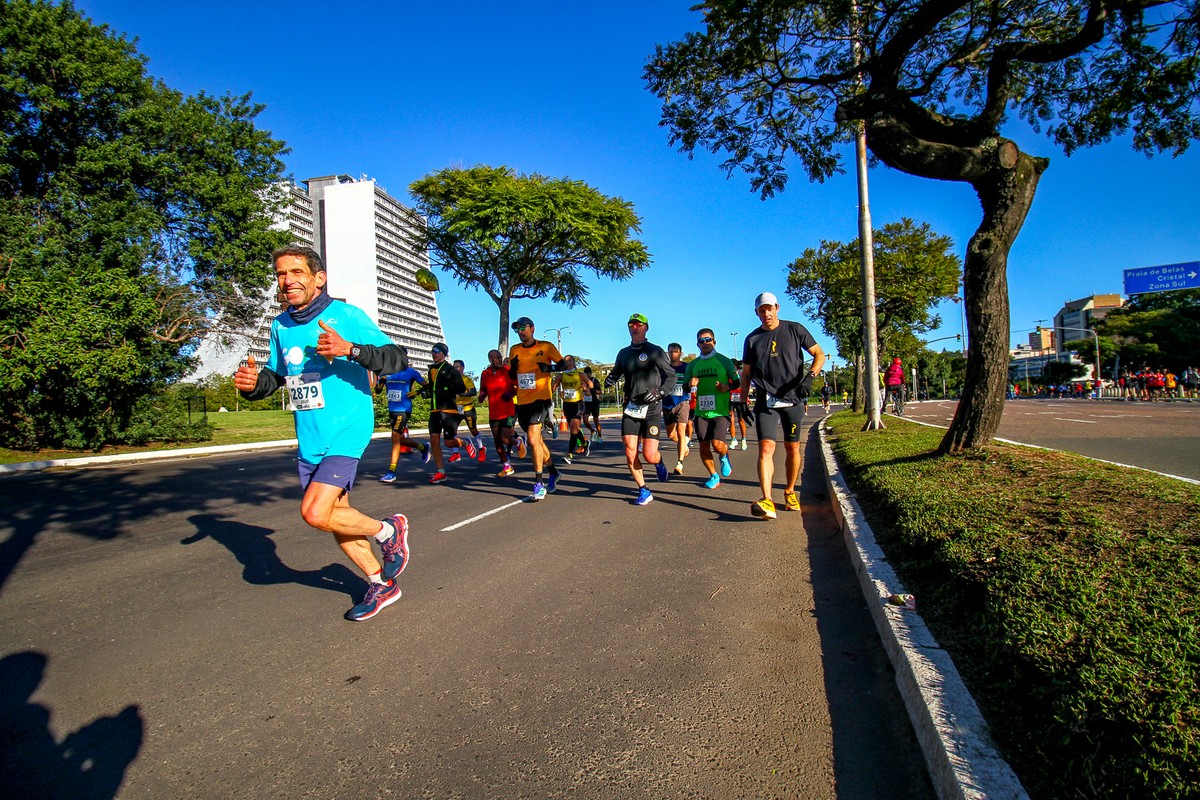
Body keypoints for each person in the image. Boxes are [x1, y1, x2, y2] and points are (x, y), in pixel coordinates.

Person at [234, 244, 411, 622]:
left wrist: (351, 350)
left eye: (296, 272)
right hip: (310, 434)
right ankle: (381, 584)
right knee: (336, 515)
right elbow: (276, 376)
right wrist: (253, 384)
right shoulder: (280, 326)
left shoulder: (345, 315)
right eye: (281, 274)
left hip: (347, 427)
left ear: (319, 278)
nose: (287, 281)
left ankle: (388, 531)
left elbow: (396, 358)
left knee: (315, 512)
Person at [740, 292, 826, 520]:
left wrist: (810, 377)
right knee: (766, 448)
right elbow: (746, 373)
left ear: (777, 307)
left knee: (792, 448)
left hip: (793, 398)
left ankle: (789, 491)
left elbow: (819, 354)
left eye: (769, 308)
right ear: (756, 312)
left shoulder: (794, 329)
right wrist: (742, 401)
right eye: (761, 310)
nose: (766, 313)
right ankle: (767, 499)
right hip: (765, 400)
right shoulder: (751, 339)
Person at [605, 313, 676, 506]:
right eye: (631, 324)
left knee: (649, 455)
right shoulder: (623, 353)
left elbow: (672, 377)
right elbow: (617, 372)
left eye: (639, 324)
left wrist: (660, 392)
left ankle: (659, 463)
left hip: (652, 408)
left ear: (646, 328)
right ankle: (644, 490)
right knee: (630, 452)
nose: (635, 327)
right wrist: (610, 379)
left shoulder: (655, 351)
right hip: (631, 407)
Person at [508, 316, 565, 501]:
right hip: (523, 401)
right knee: (537, 442)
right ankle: (554, 472)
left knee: (532, 440)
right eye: (517, 329)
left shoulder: (546, 346)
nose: (520, 331)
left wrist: (550, 368)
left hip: (541, 399)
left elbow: (564, 364)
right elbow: (511, 375)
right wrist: (513, 368)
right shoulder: (514, 350)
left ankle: (538, 483)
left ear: (532, 328)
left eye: (523, 328)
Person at [683, 328, 739, 489]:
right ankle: (713, 475)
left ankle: (723, 455)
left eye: (708, 340)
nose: (705, 343)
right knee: (703, 446)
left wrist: (725, 387)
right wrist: (689, 384)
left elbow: (737, 383)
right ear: (697, 344)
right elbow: (685, 388)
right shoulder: (693, 365)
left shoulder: (724, 361)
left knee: (717, 444)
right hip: (701, 412)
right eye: (701, 341)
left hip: (720, 411)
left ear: (714, 342)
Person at [412, 343, 475, 484]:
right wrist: (418, 392)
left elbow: (460, 387)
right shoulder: (431, 370)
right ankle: (441, 472)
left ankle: (465, 443)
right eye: (432, 351)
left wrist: (445, 388)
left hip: (449, 411)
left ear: (443, 354)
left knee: (448, 442)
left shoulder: (451, 370)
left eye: (436, 351)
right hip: (434, 410)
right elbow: (430, 388)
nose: (433, 354)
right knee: (434, 441)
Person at [377, 364, 431, 482]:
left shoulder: (411, 372)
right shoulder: (385, 371)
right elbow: (378, 390)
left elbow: (427, 386)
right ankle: (423, 447)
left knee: (395, 437)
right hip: (392, 409)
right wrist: (381, 382)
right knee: (400, 439)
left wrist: (416, 392)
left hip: (404, 409)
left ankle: (392, 472)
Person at [476, 349, 523, 477]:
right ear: (490, 359)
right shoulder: (485, 374)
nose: (500, 359)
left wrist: (511, 393)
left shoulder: (508, 371)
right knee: (497, 441)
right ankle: (507, 465)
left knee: (505, 438)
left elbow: (518, 386)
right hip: (494, 413)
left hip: (508, 411)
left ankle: (518, 442)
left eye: (500, 357)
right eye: (497, 358)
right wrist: (482, 396)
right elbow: (483, 389)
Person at [553, 355, 592, 464]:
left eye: (570, 360)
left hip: (578, 404)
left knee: (574, 427)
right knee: (573, 428)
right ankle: (585, 443)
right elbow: (552, 388)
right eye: (566, 361)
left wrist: (586, 389)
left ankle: (569, 454)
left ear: (574, 363)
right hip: (567, 405)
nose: (568, 362)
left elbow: (591, 384)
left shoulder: (580, 375)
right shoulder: (560, 376)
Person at [662, 342, 692, 475]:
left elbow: (692, 383)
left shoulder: (686, 367)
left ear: (680, 353)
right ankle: (684, 443)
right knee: (670, 434)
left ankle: (679, 463)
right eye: (670, 351)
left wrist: (692, 384)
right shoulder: (664, 368)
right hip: (668, 404)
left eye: (675, 351)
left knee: (681, 431)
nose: (672, 354)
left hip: (682, 402)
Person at [453, 359, 486, 462]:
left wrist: (461, 395)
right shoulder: (451, 380)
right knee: (452, 431)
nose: (455, 369)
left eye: (457, 367)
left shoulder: (466, 380)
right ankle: (456, 453)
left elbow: (473, 392)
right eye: (454, 367)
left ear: (462, 368)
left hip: (467, 408)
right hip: (456, 409)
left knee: (473, 430)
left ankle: (481, 449)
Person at [580, 365, 602, 443]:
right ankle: (593, 430)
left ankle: (599, 436)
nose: (587, 376)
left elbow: (600, 392)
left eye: (588, 374)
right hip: (586, 404)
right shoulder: (583, 382)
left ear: (591, 374)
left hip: (594, 403)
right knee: (585, 420)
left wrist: (592, 390)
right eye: (586, 374)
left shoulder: (595, 381)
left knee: (596, 420)